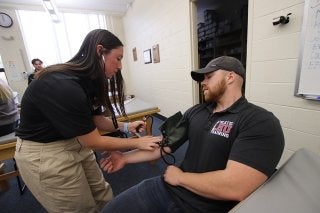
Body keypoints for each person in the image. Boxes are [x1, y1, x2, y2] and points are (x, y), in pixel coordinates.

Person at [100, 56, 285, 213]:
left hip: (202, 206)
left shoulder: (259, 121)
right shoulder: (196, 112)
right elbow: (164, 146)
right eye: (202, 78)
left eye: (209, 77)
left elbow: (236, 186)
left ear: (230, 77)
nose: (202, 82)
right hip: (169, 187)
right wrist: (125, 158)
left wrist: (181, 178)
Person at [14, 29, 161, 213]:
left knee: (103, 194)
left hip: (74, 141)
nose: (120, 66)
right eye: (118, 58)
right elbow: (94, 141)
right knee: (79, 208)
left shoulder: (88, 82)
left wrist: (126, 126)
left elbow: (97, 120)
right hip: (45, 152)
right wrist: (138, 142)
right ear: (100, 51)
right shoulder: (64, 86)